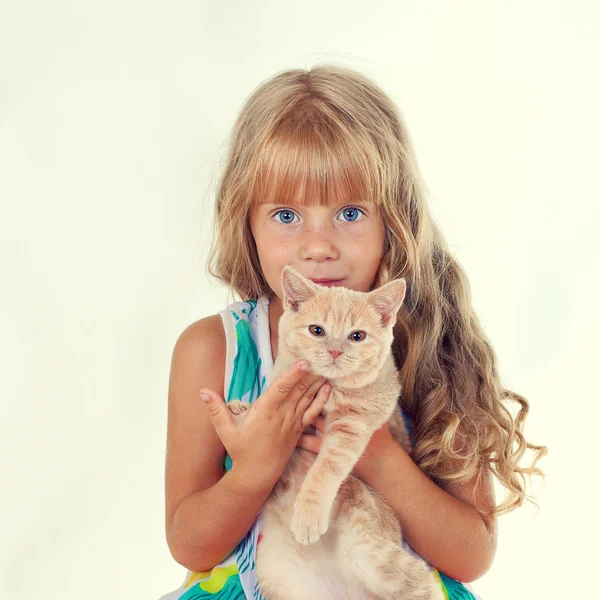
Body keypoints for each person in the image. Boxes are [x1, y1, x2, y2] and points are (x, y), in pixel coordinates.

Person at [159, 65, 547, 600]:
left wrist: (378, 456)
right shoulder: (214, 350)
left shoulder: (430, 345)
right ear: (244, 221)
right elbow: (190, 546)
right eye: (287, 214)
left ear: (394, 220)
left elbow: (470, 554)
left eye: (349, 212)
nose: (319, 246)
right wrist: (256, 468)